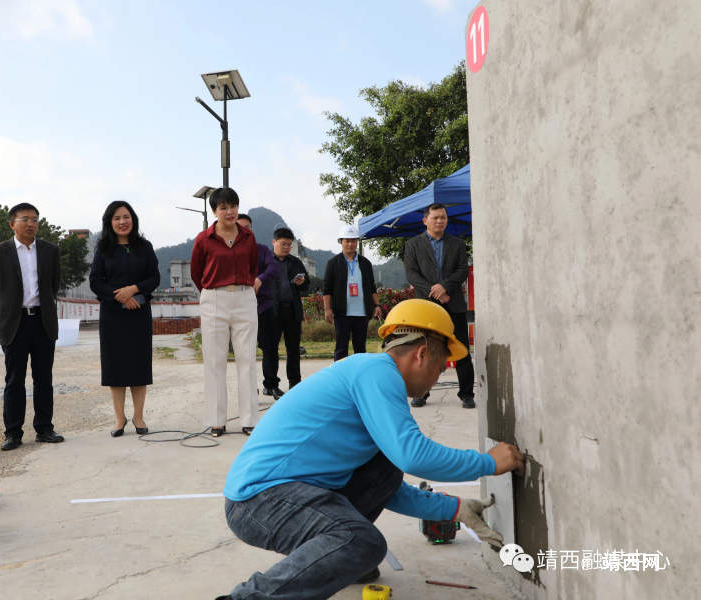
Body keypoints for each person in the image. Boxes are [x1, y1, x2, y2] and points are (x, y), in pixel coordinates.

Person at [216, 300, 525, 600]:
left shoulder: (371, 375)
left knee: (384, 469)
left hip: (283, 493)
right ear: (421, 354)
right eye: (442, 365)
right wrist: (487, 462)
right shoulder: (376, 373)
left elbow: (385, 485)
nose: (439, 376)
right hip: (258, 500)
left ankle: (341, 559)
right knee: (362, 542)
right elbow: (413, 454)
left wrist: (454, 509)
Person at [0, 203, 64, 450]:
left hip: (42, 322)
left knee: (44, 379)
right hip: (14, 324)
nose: (31, 224)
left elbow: (53, 285)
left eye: (35, 219)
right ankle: (13, 433)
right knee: (14, 380)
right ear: (12, 224)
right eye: (25, 219)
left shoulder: (51, 250)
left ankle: (44, 429)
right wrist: (6, 313)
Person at [190, 188, 259, 437]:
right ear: (214, 211)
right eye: (223, 207)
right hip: (214, 299)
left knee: (247, 359)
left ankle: (249, 420)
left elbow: (253, 266)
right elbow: (197, 273)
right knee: (215, 360)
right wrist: (212, 292)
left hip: (244, 297)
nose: (229, 212)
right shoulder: (203, 239)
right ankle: (217, 421)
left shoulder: (248, 237)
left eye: (233, 206)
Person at [89, 201, 160, 437]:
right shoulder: (103, 249)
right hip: (112, 315)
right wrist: (120, 297)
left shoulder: (145, 247)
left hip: (139, 313)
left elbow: (154, 277)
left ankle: (138, 417)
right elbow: (96, 282)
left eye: (126, 216)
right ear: (110, 222)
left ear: (133, 219)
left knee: (138, 366)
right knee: (115, 367)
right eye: (117, 218)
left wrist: (134, 290)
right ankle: (119, 419)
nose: (122, 222)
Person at [403, 203, 474, 409]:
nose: (440, 221)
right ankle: (421, 393)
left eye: (443, 217)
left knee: (461, 348)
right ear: (425, 220)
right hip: (425, 306)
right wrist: (435, 291)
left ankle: (467, 394)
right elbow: (412, 274)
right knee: (424, 350)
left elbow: (462, 271)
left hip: (454, 304)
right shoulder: (413, 245)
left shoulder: (457, 244)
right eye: (435, 217)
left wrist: (444, 287)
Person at [236, 214, 280, 399]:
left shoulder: (261, 250)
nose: (245, 230)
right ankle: (248, 389)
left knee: (270, 346)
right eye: (240, 227)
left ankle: (270, 385)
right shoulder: (231, 253)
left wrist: (260, 280)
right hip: (239, 307)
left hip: (263, 305)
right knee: (244, 350)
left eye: (248, 227)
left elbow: (273, 268)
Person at [323, 224, 383, 361]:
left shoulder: (365, 263)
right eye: (347, 241)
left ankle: (358, 379)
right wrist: (327, 309)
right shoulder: (332, 263)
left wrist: (377, 305)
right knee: (341, 349)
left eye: (353, 241)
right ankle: (339, 379)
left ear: (357, 242)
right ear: (341, 242)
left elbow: (372, 287)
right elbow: (327, 288)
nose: (350, 244)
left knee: (360, 350)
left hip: (361, 313)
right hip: (341, 313)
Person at [269, 227, 309, 392]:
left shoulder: (295, 262)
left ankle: (294, 382)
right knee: (271, 348)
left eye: (289, 245)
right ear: (274, 242)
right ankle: (271, 384)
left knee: (293, 348)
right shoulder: (266, 261)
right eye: (283, 244)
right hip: (272, 311)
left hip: (292, 311)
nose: (286, 248)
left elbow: (306, 284)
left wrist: (302, 283)